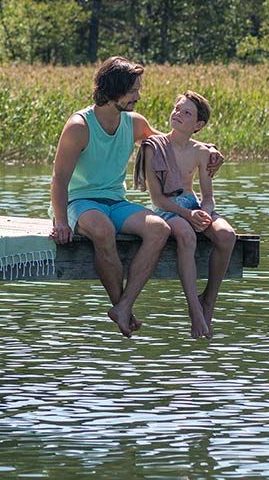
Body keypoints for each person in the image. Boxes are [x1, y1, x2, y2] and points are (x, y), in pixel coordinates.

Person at [49, 57, 171, 337]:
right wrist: (61, 222)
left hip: (116, 202)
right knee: (103, 230)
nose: (138, 97)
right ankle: (121, 306)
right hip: (79, 202)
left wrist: (207, 149)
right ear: (114, 89)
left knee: (159, 229)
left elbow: (169, 145)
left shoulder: (135, 123)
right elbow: (59, 180)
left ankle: (123, 306)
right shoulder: (79, 125)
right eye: (133, 90)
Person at [139, 91, 235, 339]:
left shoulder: (202, 152)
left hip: (192, 205)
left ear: (198, 125)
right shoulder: (155, 147)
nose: (177, 114)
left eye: (187, 113)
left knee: (226, 235)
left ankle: (208, 300)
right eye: (177, 108)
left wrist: (204, 212)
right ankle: (194, 308)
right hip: (168, 208)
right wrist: (186, 214)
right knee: (185, 234)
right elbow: (157, 199)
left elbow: (208, 197)